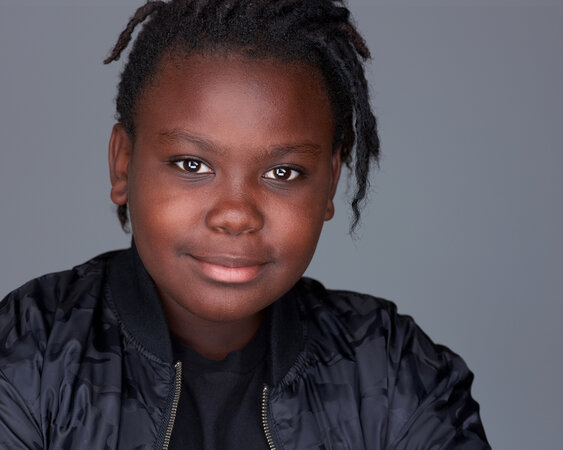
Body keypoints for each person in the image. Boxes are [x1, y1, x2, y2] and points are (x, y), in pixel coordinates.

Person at [0, 0, 490, 448]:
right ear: (123, 164)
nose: (236, 215)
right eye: (192, 164)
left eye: (283, 172)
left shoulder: (392, 374)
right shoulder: (29, 356)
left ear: (330, 182)